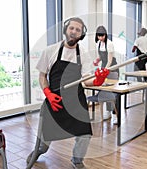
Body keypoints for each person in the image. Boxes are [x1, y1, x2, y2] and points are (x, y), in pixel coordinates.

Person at [27, 17, 109, 169]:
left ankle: (77, 160)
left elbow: (86, 80)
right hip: (55, 101)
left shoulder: (83, 54)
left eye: (78, 30)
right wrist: (48, 93)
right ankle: (38, 151)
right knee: (45, 141)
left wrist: (98, 81)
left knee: (85, 134)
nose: (74, 32)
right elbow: (42, 75)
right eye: (72, 28)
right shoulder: (50, 51)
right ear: (66, 29)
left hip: (76, 100)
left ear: (81, 34)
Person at [93, 25, 118, 123]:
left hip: (112, 67)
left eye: (102, 36)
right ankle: (108, 112)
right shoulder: (98, 44)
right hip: (104, 66)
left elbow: (110, 60)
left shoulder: (110, 44)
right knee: (105, 90)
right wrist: (96, 61)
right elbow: (100, 57)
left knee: (113, 91)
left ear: (105, 35)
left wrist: (105, 70)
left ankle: (115, 114)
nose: (101, 38)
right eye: (99, 36)